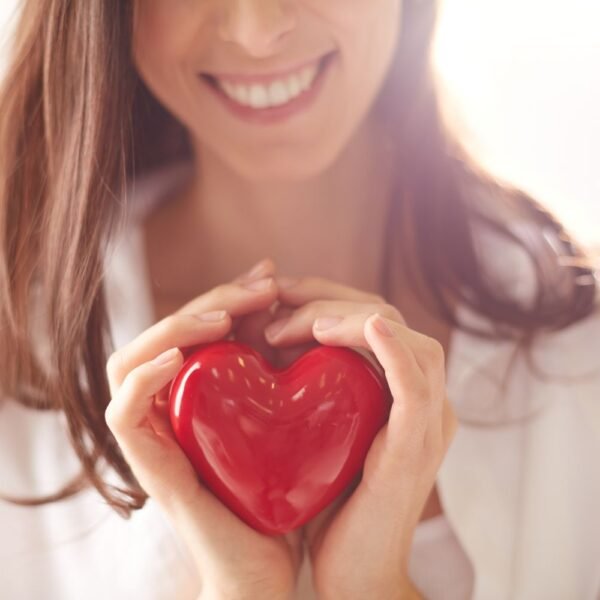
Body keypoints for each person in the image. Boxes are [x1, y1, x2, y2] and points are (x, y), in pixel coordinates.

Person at [0, 0, 598, 599]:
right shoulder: (20, 365)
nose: (259, 33)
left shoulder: (581, 355)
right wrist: (244, 589)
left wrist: (372, 588)